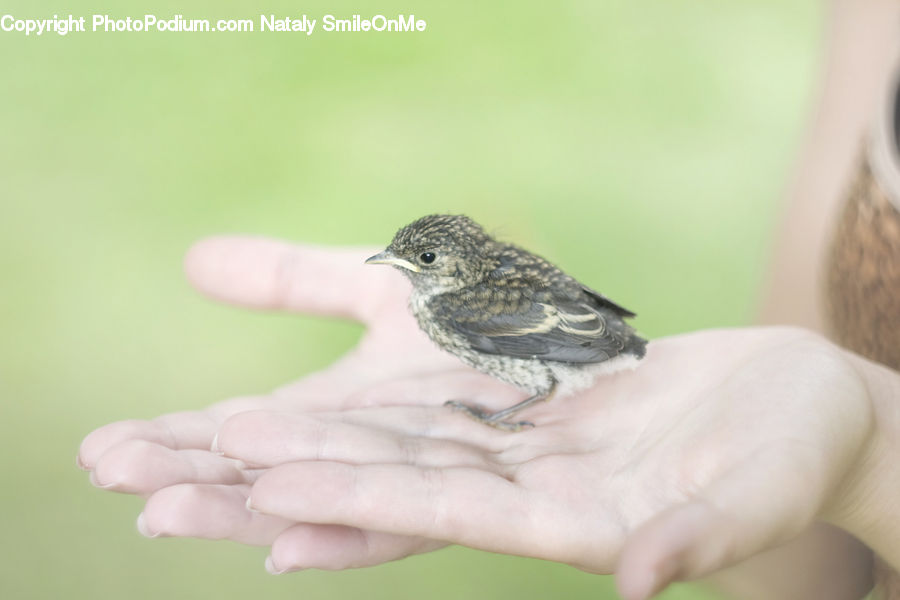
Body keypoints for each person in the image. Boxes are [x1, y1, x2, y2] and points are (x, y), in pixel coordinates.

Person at [77, 1, 900, 598]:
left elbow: (559, 330)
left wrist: (866, 455)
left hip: (581, 347)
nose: (403, 266)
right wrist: (810, 453)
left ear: (451, 263)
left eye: (417, 258)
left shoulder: (455, 307)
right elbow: (809, 578)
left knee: (534, 383)